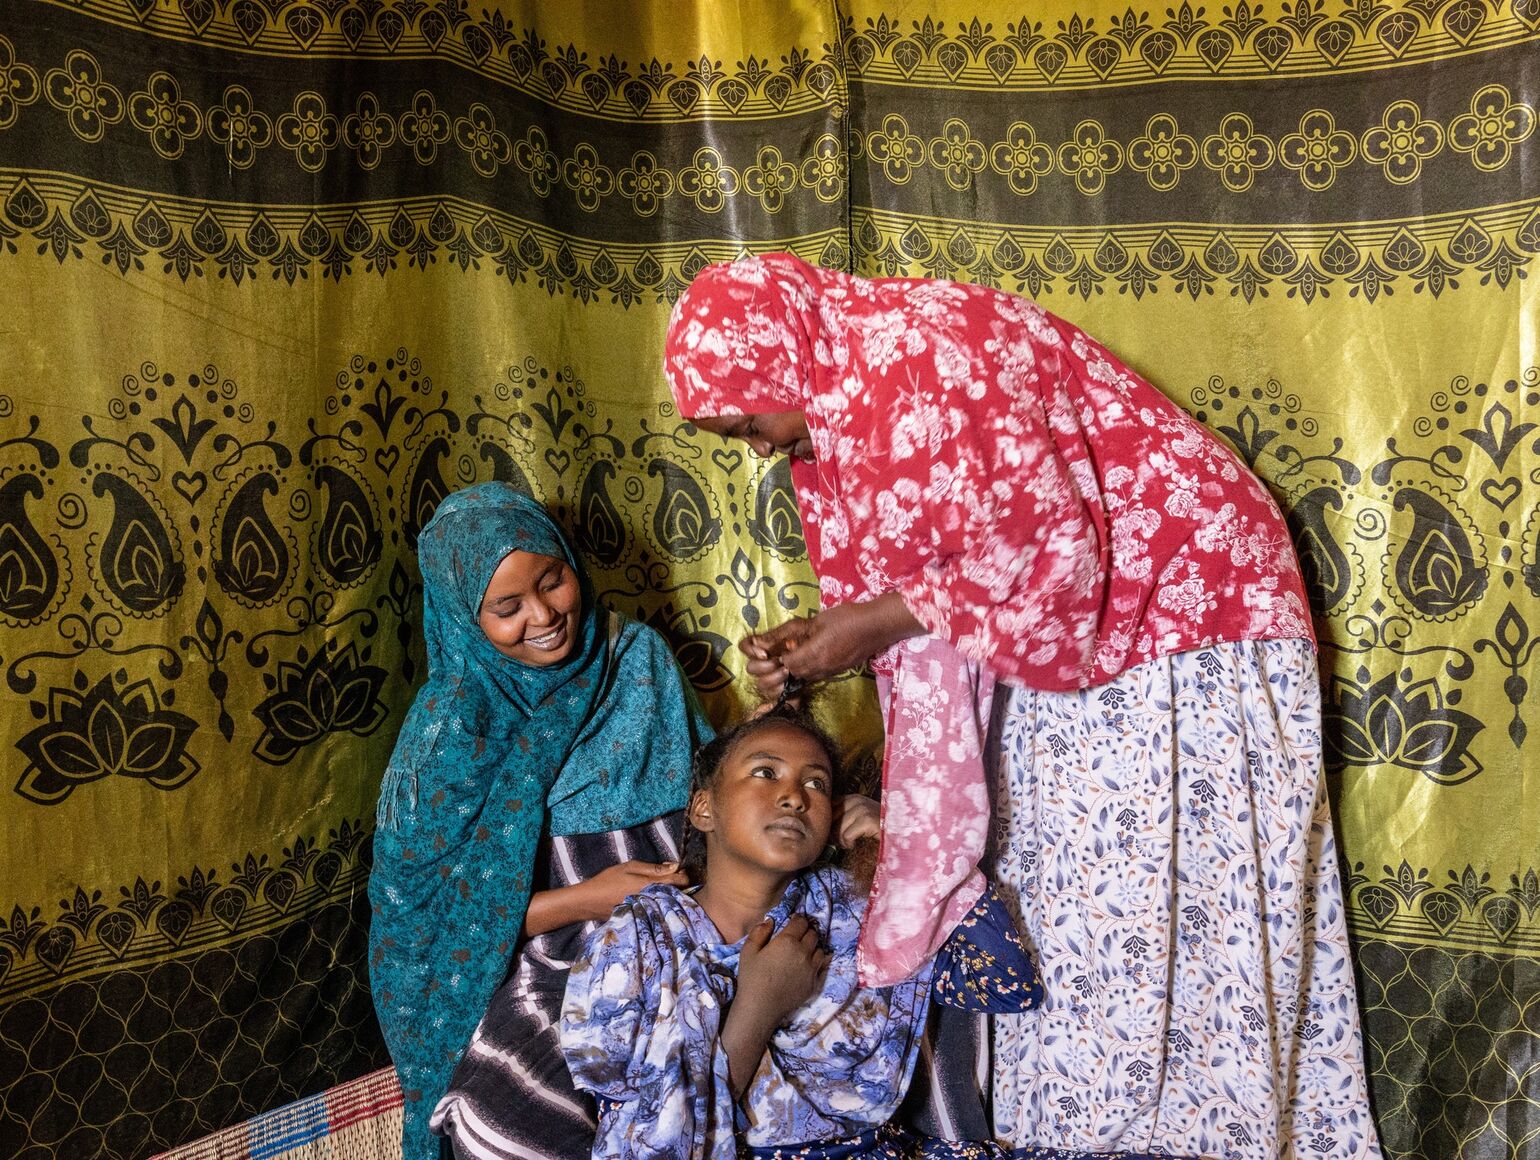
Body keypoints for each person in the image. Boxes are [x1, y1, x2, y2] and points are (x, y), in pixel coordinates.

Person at [663, 254, 1382, 1160]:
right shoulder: (846, 398)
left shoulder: (916, 352)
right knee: (1073, 901)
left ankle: (1193, 1139)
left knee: (1162, 902)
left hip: (1180, 610)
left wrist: (868, 624)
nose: (761, 447)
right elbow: (931, 572)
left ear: (783, 355)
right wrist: (830, 637)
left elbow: (1047, 547)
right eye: (738, 439)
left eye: (751, 422)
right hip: (1079, 635)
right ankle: (1087, 1135)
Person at [561, 709, 1146, 1160]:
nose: (794, 795)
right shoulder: (639, 939)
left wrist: (901, 854)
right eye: (765, 773)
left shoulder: (853, 910)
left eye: (817, 785)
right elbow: (640, 1140)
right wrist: (759, 1007)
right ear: (703, 808)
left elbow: (1007, 984)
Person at [368, 482, 710, 1160]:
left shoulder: (635, 658)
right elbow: (430, 933)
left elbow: (712, 793)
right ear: (467, 620)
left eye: (552, 581)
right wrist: (593, 898)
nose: (545, 615)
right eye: (506, 607)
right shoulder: (449, 736)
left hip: (690, 921)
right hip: (548, 966)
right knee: (506, 1120)